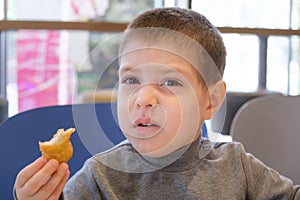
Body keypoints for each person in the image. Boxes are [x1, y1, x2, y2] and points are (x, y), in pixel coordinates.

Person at [14, 7, 299, 200]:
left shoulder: (237, 168)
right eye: (131, 81)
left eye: (170, 83)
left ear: (210, 101)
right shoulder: (99, 177)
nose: (143, 98)